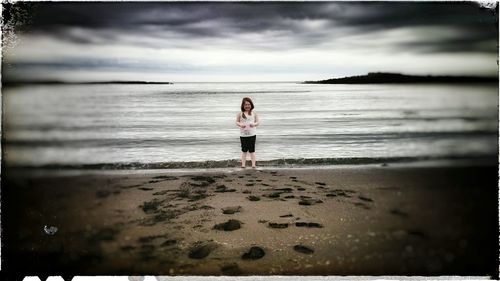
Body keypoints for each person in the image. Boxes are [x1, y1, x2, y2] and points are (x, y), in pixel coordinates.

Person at [236, 97, 259, 168]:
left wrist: (254, 124)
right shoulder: (240, 113)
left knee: (252, 150)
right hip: (243, 135)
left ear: (251, 105)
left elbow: (257, 122)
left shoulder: (254, 113)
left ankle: (253, 165)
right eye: (245, 105)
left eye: (249, 104)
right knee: (244, 150)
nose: (247, 106)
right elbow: (237, 122)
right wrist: (240, 125)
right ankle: (243, 165)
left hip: (252, 134)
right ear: (243, 105)